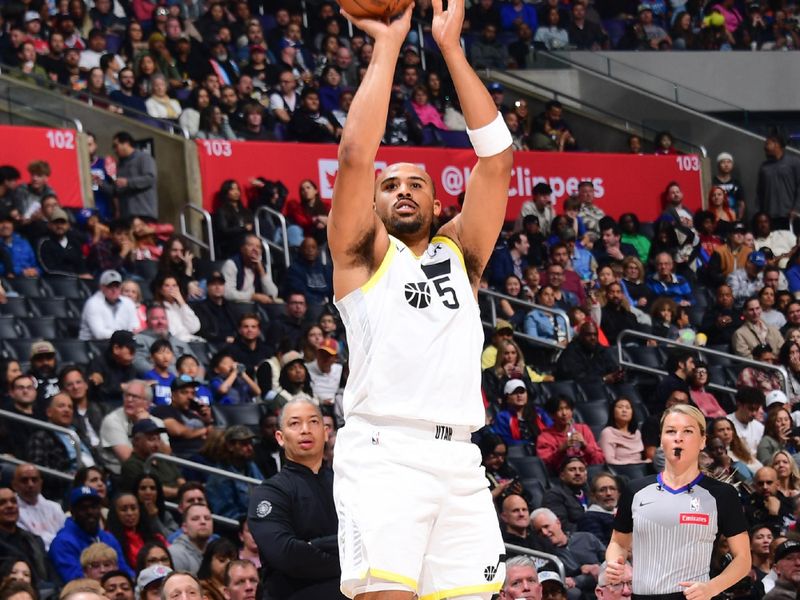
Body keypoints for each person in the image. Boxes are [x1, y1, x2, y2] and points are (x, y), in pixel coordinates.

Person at [328, 1, 514, 598]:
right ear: (374, 204)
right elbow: (357, 155)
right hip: (385, 453)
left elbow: (497, 159)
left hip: (461, 460)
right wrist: (387, 45)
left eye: (417, 185)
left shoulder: (460, 253)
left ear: (438, 207)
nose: (402, 190)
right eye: (390, 185)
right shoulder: (358, 258)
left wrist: (452, 50)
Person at [605, 404, 751, 597]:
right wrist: (615, 563)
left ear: (702, 441)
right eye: (671, 431)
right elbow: (618, 542)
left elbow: (743, 559)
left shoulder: (721, 494)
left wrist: (712, 587)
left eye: (688, 431)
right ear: (661, 440)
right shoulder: (635, 490)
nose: (678, 437)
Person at [247, 398, 345, 599]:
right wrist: (348, 559)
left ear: (326, 432)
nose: (305, 429)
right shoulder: (269, 492)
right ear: (280, 437)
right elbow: (287, 554)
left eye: (314, 422)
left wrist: (314, 545)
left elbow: (368, 541)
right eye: (294, 423)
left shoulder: (348, 485)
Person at [49, 487, 133, 582]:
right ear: (72, 512)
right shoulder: (63, 542)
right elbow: (75, 579)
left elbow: (124, 570)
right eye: (83, 508)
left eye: (94, 507)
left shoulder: (108, 538)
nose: (90, 512)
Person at [531, 507, 606, 599]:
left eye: (546, 526)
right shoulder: (546, 557)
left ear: (558, 522)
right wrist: (578, 573)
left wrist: (598, 567)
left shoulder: (586, 538)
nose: (544, 532)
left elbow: (608, 560)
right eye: (539, 531)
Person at [204, 426, 264, 521]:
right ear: (230, 446)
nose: (250, 448)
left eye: (250, 443)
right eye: (244, 444)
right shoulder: (219, 477)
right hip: (240, 527)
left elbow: (265, 492)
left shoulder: (251, 466)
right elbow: (227, 514)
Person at [537, 395, 604, 473]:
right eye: (559, 410)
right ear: (551, 415)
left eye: (567, 408)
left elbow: (600, 459)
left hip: (588, 472)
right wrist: (561, 450)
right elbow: (546, 466)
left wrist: (585, 446)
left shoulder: (583, 429)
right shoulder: (545, 437)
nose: (564, 413)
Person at [99, 132, 157, 220]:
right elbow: (116, 191)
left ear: (126, 143)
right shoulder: (120, 165)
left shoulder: (144, 158)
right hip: (126, 215)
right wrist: (101, 183)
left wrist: (128, 182)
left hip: (143, 214)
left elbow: (150, 179)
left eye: (116, 146)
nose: (115, 150)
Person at [11, 464, 65, 551]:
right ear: (14, 485)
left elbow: (65, 535)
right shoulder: (12, 510)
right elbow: (29, 541)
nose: (30, 484)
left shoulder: (55, 507)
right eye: (24, 480)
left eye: (34, 480)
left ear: (41, 483)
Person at [79, 270, 140, 341]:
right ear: (102, 287)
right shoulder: (92, 304)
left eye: (117, 286)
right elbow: (99, 334)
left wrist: (126, 335)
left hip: (120, 343)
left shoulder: (128, 303)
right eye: (110, 286)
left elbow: (134, 327)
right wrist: (125, 335)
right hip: (93, 345)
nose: (114, 290)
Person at [542, 457, 591, 533]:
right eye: (572, 470)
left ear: (586, 475)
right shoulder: (554, 495)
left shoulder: (591, 493)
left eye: (581, 470)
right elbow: (562, 525)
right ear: (562, 475)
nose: (577, 473)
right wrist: (591, 530)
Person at [599, 397, 648, 467]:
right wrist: (634, 464)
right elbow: (609, 461)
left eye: (628, 408)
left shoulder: (637, 433)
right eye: (620, 407)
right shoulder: (608, 433)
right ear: (613, 411)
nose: (624, 410)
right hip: (620, 472)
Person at [168, 504, 213, 574]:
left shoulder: (215, 551)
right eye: (195, 519)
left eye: (207, 518)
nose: (203, 522)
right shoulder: (175, 553)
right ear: (184, 527)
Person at [576, 473, 620, 546]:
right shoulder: (589, 518)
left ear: (618, 493)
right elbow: (599, 548)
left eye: (612, 488)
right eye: (602, 490)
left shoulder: (624, 513)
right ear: (593, 495)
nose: (608, 493)